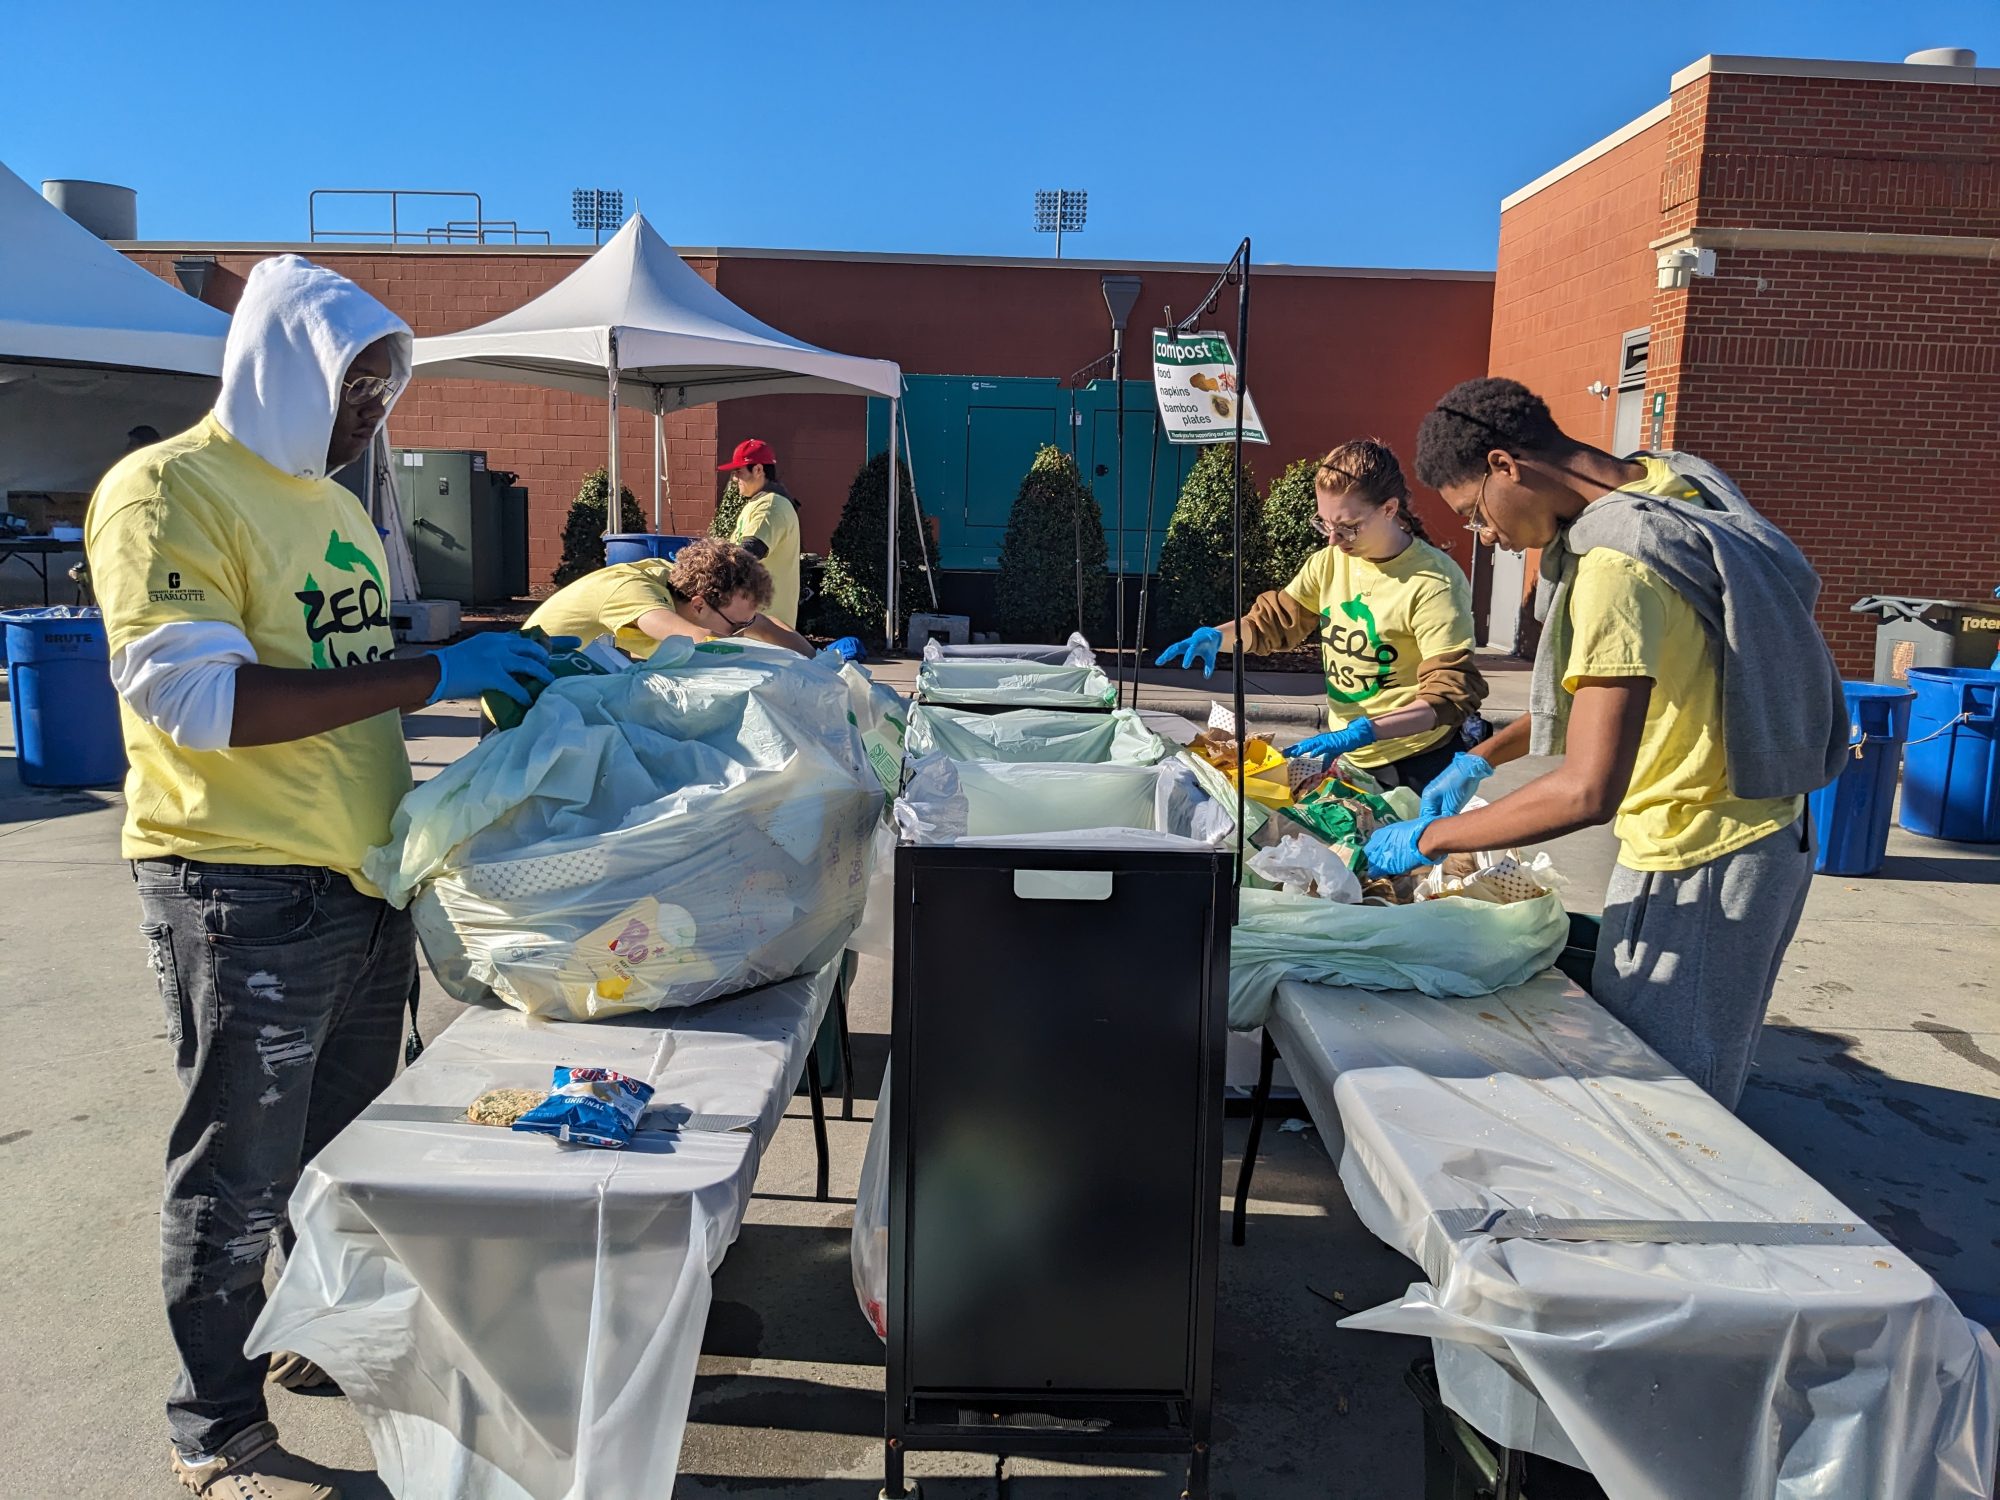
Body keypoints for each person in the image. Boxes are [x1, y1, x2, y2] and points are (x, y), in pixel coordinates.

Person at [87, 254, 557, 1500]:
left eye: (386, 388)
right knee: (235, 1172)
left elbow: (349, 653)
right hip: (241, 887)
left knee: (341, 1158)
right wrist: (431, 681)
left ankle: (309, 1334)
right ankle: (214, 1430)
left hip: (360, 878)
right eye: (356, 383)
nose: (372, 410)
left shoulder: (338, 510)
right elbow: (198, 699)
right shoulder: (165, 492)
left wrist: (496, 666)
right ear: (281, 365)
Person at [1364, 376, 1845, 1108]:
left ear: (1505, 465)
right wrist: (1478, 756)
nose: (1485, 537)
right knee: (1686, 1068)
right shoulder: (1671, 484)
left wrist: (1434, 836)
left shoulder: (1617, 570)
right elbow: (1612, 695)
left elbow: (1588, 787)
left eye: (1474, 513)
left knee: (1667, 1096)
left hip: (1701, 847)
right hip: (1766, 829)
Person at [1154, 439, 1486, 791]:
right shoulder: (1328, 562)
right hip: (1351, 754)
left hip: (1416, 760)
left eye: (1348, 527)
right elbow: (1276, 622)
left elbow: (1449, 695)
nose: (1332, 540)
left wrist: (1366, 730)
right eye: (1324, 523)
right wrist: (1219, 636)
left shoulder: (1434, 581)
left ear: (1389, 509)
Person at [524, 537, 814, 659]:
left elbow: (761, 625)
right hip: (515, 695)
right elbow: (698, 638)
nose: (740, 631)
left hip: (562, 691)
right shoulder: (635, 593)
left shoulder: (681, 583)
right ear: (698, 604)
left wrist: (820, 664)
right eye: (735, 627)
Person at [719, 438, 802, 628]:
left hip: (765, 625)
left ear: (758, 470)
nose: (734, 479)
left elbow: (747, 552)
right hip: (759, 623)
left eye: (738, 472)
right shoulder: (761, 503)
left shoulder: (770, 506)